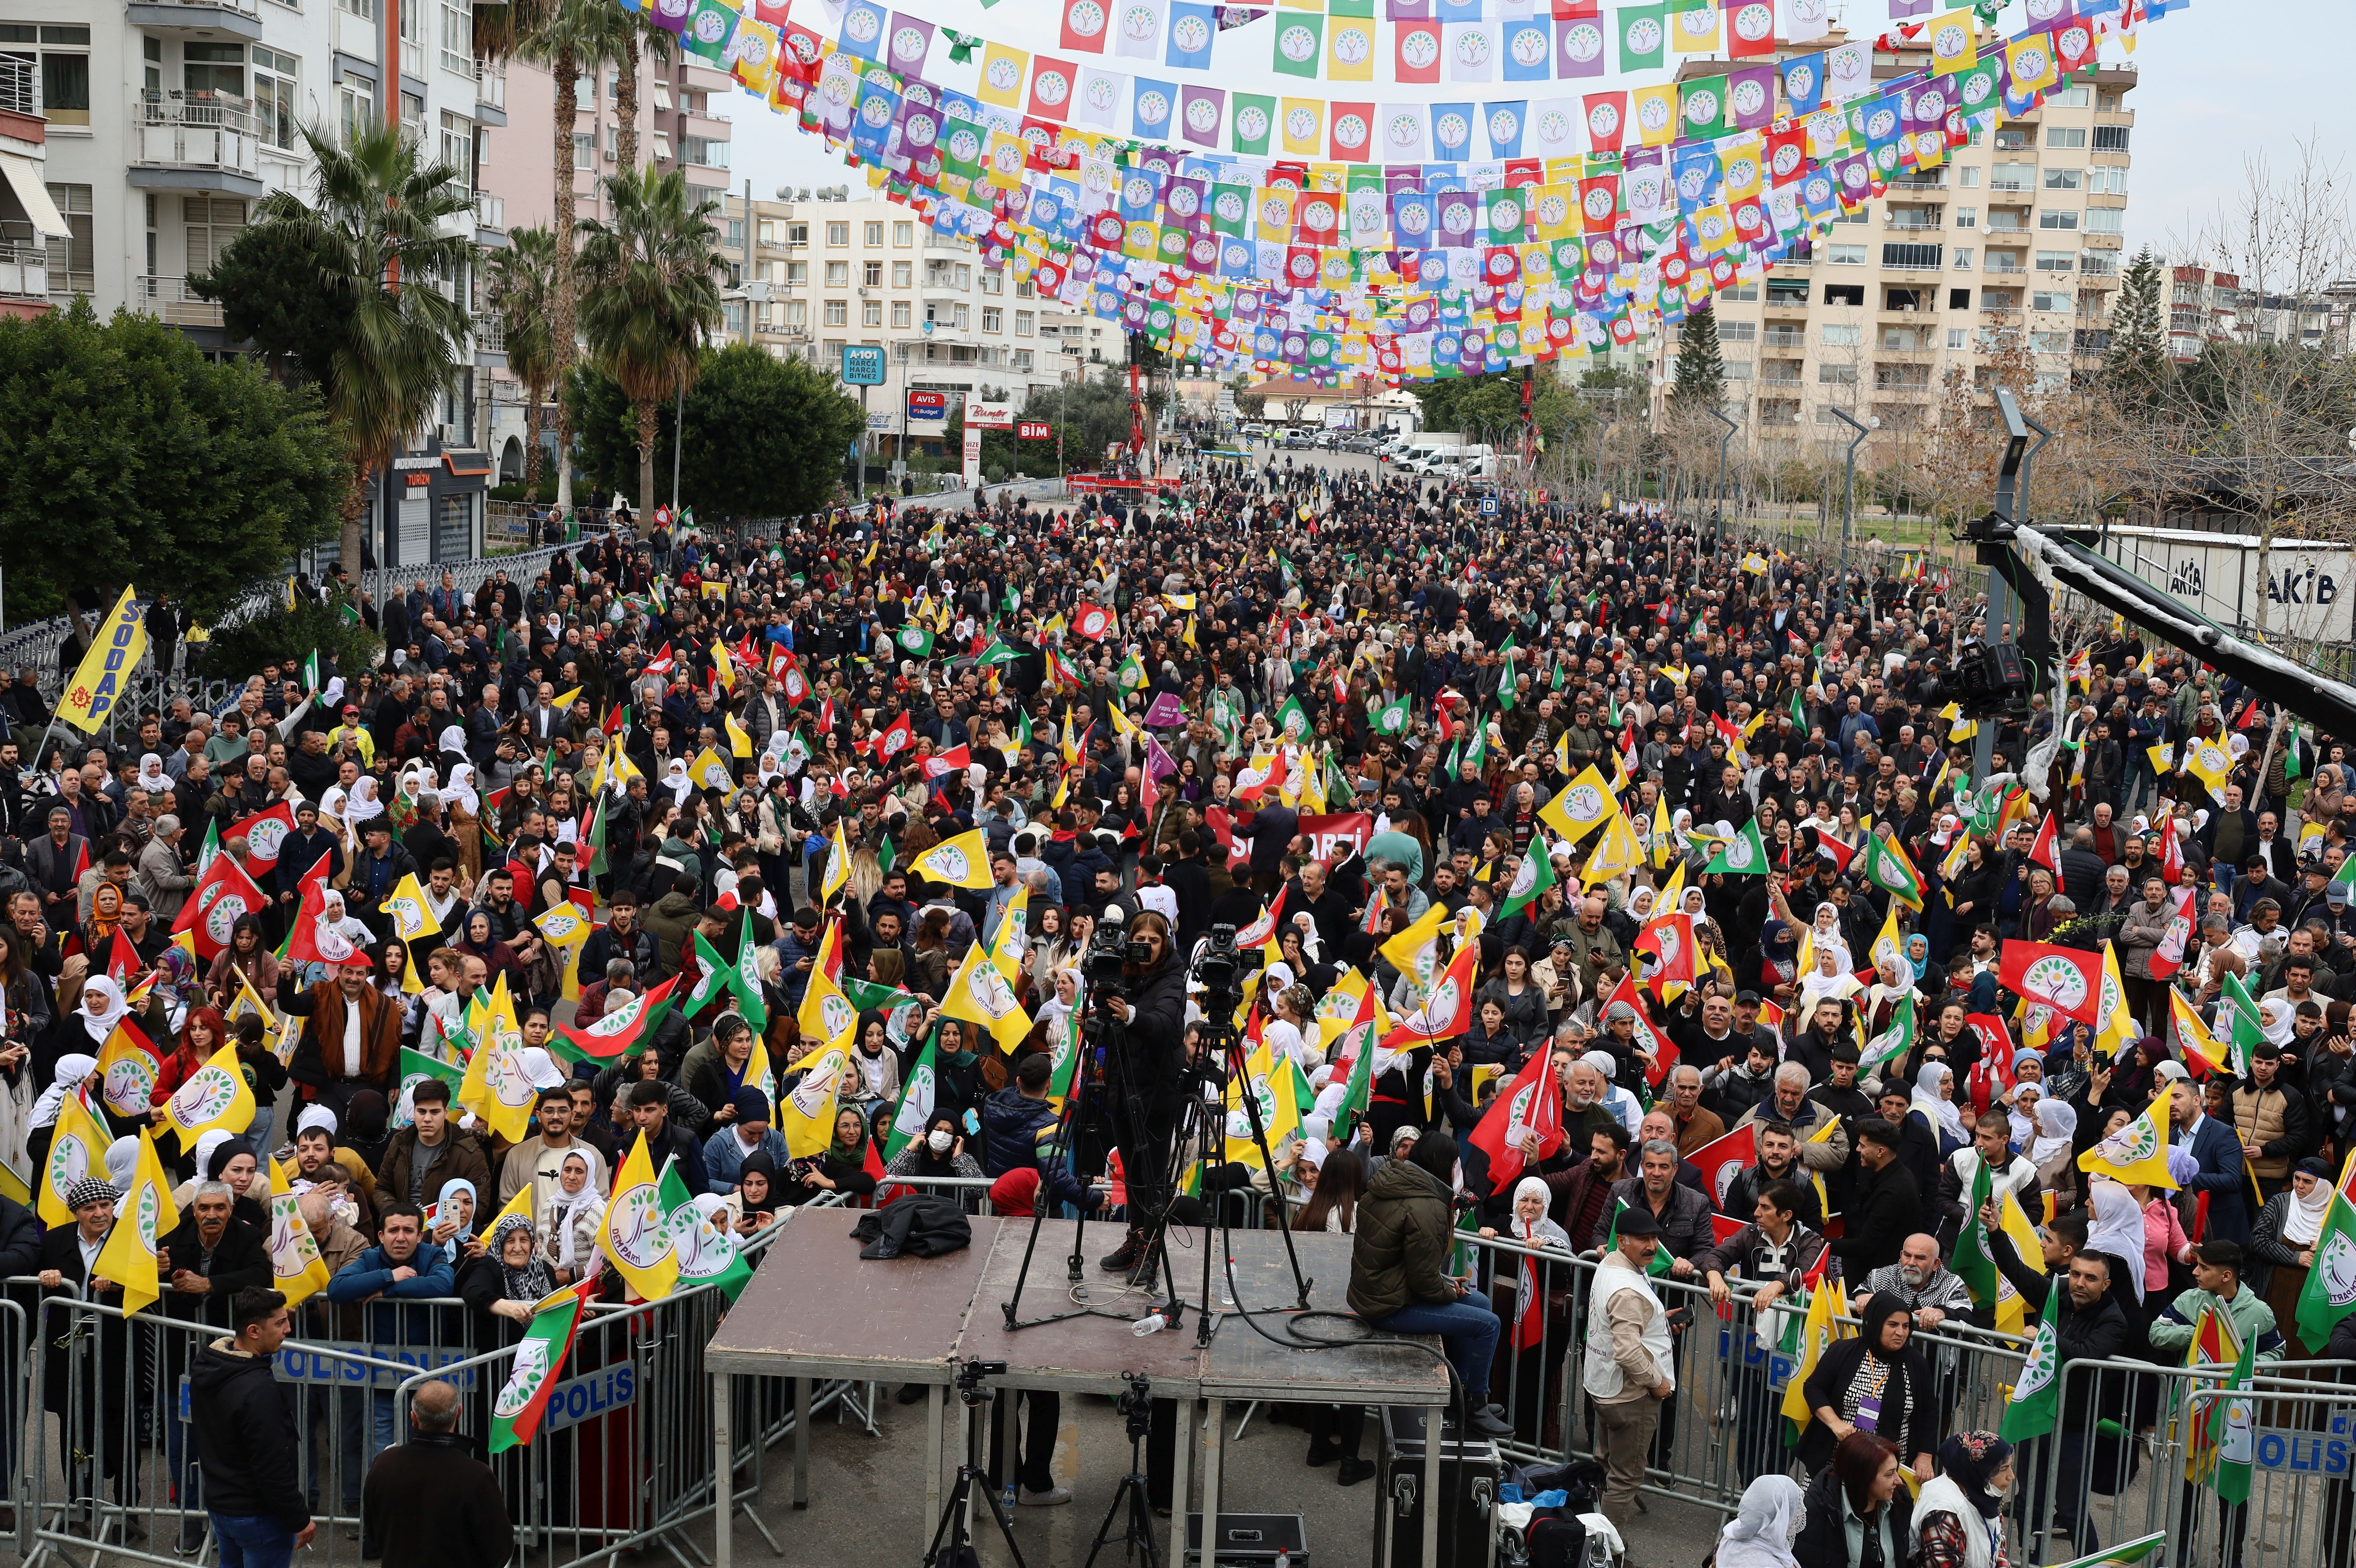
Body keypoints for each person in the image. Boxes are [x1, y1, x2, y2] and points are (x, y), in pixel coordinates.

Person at [1347, 1129, 1514, 1438]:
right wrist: (1448, 1289)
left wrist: (1448, 1282)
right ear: (1442, 1166)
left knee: (1481, 1303)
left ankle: (1460, 1395)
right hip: (1388, 1305)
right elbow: (1423, 1282)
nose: (1457, 1172)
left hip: (1376, 1290)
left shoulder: (1390, 1181)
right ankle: (1477, 1405)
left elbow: (1404, 1261)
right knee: (1489, 1324)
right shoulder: (1429, 1206)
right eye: (1454, 1165)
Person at [189, 1288, 315, 1568]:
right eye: (280, 1323)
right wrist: (299, 1518)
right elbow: (271, 1464)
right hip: (259, 1516)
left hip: (222, 1508)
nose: (288, 1329)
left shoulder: (207, 1366)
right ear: (254, 1331)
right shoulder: (259, 1390)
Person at [1095, 909, 1188, 1283]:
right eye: (1141, 940)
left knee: (1152, 1176)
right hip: (1122, 1086)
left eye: (1154, 940)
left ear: (1165, 944)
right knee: (1131, 1171)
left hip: (1156, 1092)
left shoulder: (1173, 979)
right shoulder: (1123, 974)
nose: (1146, 946)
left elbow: (1165, 1024)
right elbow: (1107, 1027)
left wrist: (1131, 1014)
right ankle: (1135, 1237)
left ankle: (1152, 1249)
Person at [1580, 1203, 1675, 1537]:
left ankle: (1593, 1536)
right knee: (1626, 1478)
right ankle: (1604, 1550)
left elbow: (1622, 1329)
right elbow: (1627, 1351)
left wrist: (1660, 1322)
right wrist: (1658, 1383)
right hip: (1630, 1396)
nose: (1651, 1246)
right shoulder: (1626, 1289)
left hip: (1605, 1387)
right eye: (1642, 1240)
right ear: (1622, 1240)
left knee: (1607, 1467)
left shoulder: (1611, 1263)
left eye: (1654, 1238)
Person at [361, 1379, 513, 1568]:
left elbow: (373, 1530)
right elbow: (500, 1547)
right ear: (459, 1413)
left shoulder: (384, 1463)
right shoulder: (476, 1476)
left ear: (413, 1418)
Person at [1796, 1294, 1935, 1480]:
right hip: (1836, 1461)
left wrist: (1925, 1456)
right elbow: (1813, 1387)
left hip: (1888, 1472)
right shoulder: (1844, 1351)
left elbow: (1929, 1411)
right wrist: (1835, 1424)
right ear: (1876, 1323)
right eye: (1893, 1325)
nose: (1901, 1333)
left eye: (1906, 1326)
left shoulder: (1916, 1363)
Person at [1793, 1431, 1910, 1568]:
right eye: (1889, 1474)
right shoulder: (1818, 1510)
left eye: (1896, 1471)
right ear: (1863, 1477)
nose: (1899, 1481)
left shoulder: (1900, 1501)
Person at [1907, 1431, 2014, 1568]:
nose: (2011, 1476)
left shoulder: (1982, 1494)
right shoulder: (1944, 1513)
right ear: (1978, 1472)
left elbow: (1998, 1546)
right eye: (2003, 1469)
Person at [1713, 1474, 1806, 1568]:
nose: (1799, 1516)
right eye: (1793, 1510)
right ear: (1780, 1515)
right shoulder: (1767, 1564)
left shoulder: (1733, 1532)